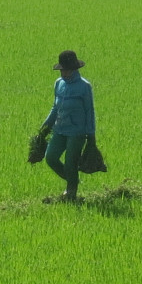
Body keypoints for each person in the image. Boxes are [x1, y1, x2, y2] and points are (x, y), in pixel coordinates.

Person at [39, 50, 96, 201]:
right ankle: (73, 180)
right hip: (60, 129)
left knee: (71, 162)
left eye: (66, 70)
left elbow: (90, 112)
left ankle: (71, 191)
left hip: (77, 132)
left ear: (74, 69)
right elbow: (55, 108)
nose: (63, 73)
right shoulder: (59, 84)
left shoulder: (84, 87)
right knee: (50, 157)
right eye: (62, 70)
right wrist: (44, 129)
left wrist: (91, 136)